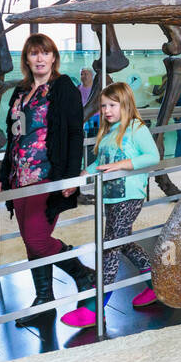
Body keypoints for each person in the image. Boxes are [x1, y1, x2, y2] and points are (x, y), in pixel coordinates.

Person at [0, 34, 93, 328]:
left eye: (45, 53)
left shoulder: (63, 88)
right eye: (33, 54)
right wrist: (4, 174)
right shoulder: (20, 92)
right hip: (19, 178)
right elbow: (15, 137)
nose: (39, 59)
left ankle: (83, 275)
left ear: (53, 58)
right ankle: (43, 300)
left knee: (38, 239)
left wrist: (71, 175)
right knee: (30, 241)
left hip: (47, 176)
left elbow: (76, 133)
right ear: (26, 59)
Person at [62, 82, 160, 330]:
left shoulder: (136, 128)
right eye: (103, 105)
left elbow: (152, 156)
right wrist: (82, 175)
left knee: (110, 247)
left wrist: (123, 164)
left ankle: (95, 307)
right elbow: (101, 162)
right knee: (122, 242)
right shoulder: (108, 132)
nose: (106, 110)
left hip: (129, 195)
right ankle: (156, 285)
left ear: (125, 104)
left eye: (111, 105)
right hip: (110, 196)